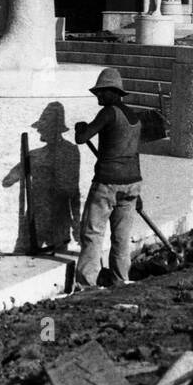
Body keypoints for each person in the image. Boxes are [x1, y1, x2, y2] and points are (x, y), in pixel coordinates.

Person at [72, 68, 143, 288]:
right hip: (132, 183)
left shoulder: (109, 112)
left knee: (92, 233)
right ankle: (121, 280)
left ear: (113, 92)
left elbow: (82, 138)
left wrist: (80, 128)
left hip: (107, 183)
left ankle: (87, 284)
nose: (98, 97)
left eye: (101, 92)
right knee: (122, 237)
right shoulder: (134, 117)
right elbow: (135, 153)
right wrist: (138, 195)